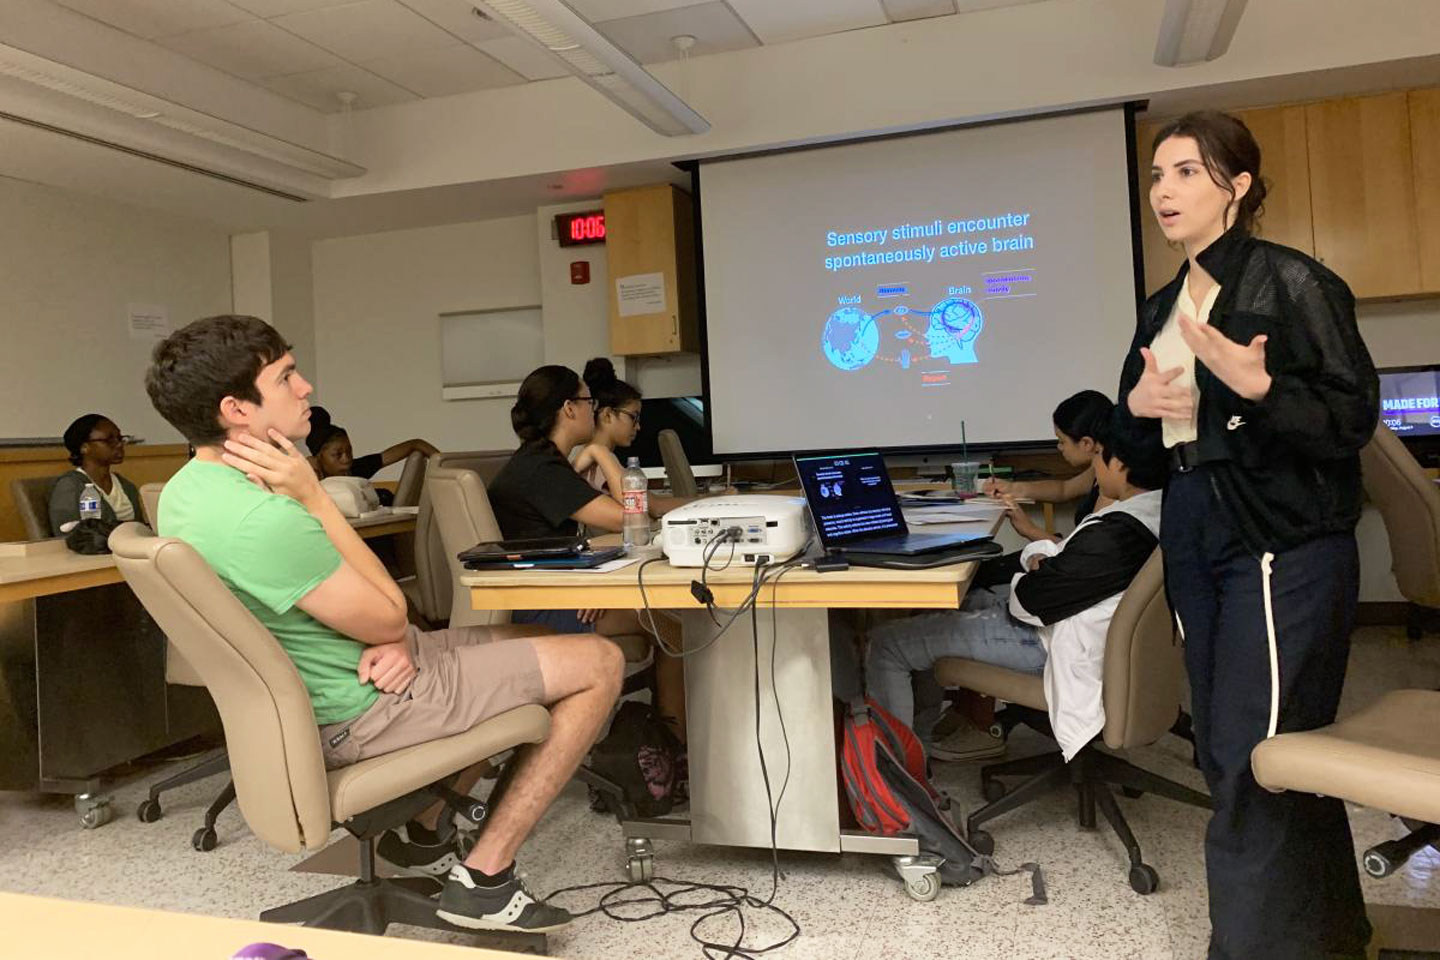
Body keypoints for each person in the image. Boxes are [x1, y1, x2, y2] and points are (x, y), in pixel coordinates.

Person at [145, 315, 623, 934]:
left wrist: (393, 636)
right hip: (362, 708)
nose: (306, 385)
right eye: (286, 376)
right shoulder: (262, 518)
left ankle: (423, 832)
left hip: (342, 680)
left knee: (536, 639)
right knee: (599, 662)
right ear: (236, 409)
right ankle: (484, 878)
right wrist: (315, 498)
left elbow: (370, 620)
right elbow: (388, 613)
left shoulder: (185, 490)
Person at [1117, 111, 1377, 960]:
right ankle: (1330, 936)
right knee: (1277, 753)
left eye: (1188, 172)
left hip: (1281, 538)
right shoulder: (1161, 308)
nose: (1164, 190)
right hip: (1196, 532)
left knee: (1249, 753)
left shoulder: (1292, 284)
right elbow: (1142, 457)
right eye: (1158, 174)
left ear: (1238, 187)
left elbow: (1349, 421)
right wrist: (1137, 415)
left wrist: (1261, 388)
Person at [866, 420, 1163, 762]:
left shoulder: (1116, 533)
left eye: (1098, 459)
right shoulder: (1159, 512)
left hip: (1048, 644)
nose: (1095, 471)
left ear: (1120, 465)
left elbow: (1027, 604)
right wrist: (1044, 561)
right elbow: (1066, 573)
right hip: (1091, 637)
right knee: (956, 605)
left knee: (888, 643)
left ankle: (900, 773)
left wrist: (1038, 562)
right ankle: (920, 736)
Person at [488, 364, 688, 744]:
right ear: (568, 408)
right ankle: (675, 747)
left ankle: (670, 740)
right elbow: (631, 519)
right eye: (587, 401)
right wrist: (599, 450)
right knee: (673, 632)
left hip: (551, 587)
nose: (593, 410)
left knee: (667, 620)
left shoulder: (540, 461)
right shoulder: (541, 470)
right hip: (541, 602)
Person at [982, 390, 1116, 545]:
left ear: (1086, 443)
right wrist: (1012, 488)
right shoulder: (1099, 471)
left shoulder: (1112, 489)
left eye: (1062, 441)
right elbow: (1064, 489)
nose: (1059, 447)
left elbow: (1081, 553)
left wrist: (1028, 529)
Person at [572, 357, 688, 517]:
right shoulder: (601, 465)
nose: (638, 426)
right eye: (633, 417)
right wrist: (712, 499)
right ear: (607, 415)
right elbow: (655, 507)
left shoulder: (597, 460)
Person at [48, 414, 146, 535]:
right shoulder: (70, 486)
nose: (119, 444)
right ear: (84, 447)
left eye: (120, 438)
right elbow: (66, 535)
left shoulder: (126, 486)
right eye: (109, 440)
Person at [305, 406, 437, 481]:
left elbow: (415, 444)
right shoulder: (310, 480)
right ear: (318, 458)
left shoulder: (357, 469)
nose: (346, 459)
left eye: (349, 451)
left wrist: (444, 463)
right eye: (337, 454)